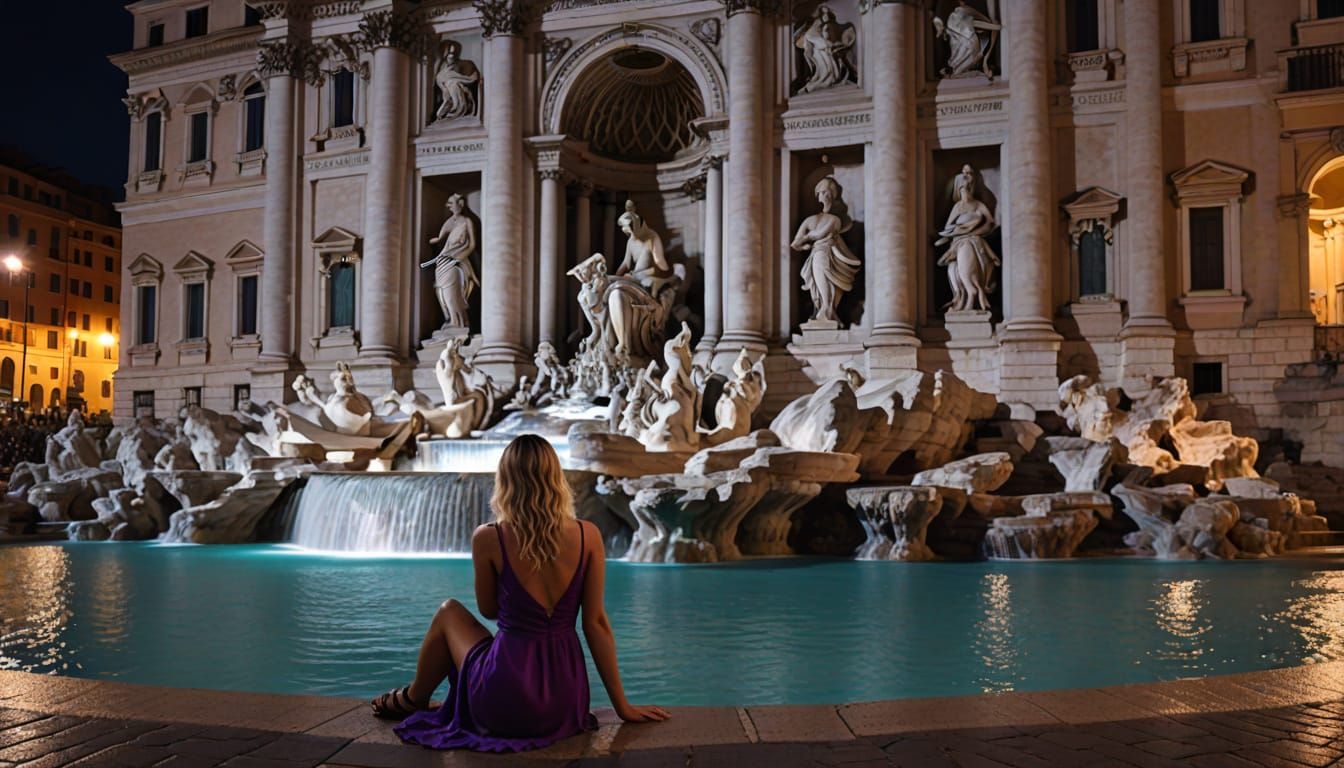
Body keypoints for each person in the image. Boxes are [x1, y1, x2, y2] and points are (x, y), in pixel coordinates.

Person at [371, 434, 669, 751]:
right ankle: (418, 696)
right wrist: (622, 706)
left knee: (449, 611)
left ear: (506, 481)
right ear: (555, 478)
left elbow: (488, 610)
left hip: (503, 695)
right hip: (565, 704)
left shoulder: (489, 537)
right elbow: (595, 623)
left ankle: (416, 696)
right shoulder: (588, 535)